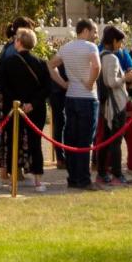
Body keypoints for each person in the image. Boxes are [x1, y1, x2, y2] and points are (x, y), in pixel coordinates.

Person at [0, 24, 52, 191]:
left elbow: (1, 85)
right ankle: (38, 180)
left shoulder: (8, 62)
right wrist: (32, 103)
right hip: (36, 108)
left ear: (18, 42)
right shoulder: (41, 63)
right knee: (35, 142)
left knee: (13, 140)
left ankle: (14, 176)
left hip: (14, 107)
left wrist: (17, 102)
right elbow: (47, 87)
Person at [51, 21, 102, 191]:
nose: (96, 35)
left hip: (71, 96)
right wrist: (90, 82)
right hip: (87, 97)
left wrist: (63, 83)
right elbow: (96, 65)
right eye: (94, 31)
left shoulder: (66, 48)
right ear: (86, 30)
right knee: (85, 140)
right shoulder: (90, 47)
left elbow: (51, 65)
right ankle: (84, 179)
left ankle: (73, 177)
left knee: (71, 139)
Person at [95, 25, 131, 186]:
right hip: (115, 104)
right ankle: (116, 173)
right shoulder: (112, 58)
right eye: (120, 42)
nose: (121, 46)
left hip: (106, 103)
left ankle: (102, 173)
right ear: (114, 41)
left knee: (106, 139)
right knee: (116, 140)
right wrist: (126, 78)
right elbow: (111, 82)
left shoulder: (100, 55)